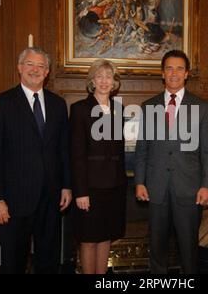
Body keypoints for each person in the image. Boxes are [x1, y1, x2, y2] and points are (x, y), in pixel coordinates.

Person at [0, 47, 72, 274]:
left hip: (51, 199)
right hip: (13, 201)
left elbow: (63, 149)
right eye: (30, 64)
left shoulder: (58, 104)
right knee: (13, 263)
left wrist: (66, 185)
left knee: (48, 261)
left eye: (40, 66)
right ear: (20, 68)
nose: (35, 69)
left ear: (47, 72)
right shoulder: (1, 103)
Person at [135, 50, 208, 274]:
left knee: (188, 248)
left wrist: (207, 186)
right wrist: (140, 182)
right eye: (169, 68)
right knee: (157, 246)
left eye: (179, 68)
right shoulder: (148, 107)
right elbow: (142, 148)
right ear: (162, 73)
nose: (174, 73)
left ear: (187, 73)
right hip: (156, 188)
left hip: (189, 189)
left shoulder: (202, 108)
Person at [69, 59, 127, 274]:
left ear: (114, 82)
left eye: (108, 77)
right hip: (90, 189)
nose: (104, 81)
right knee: (88, 240)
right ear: (92, 80)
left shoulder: (119, 110)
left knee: (106, 239)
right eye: (100, 76)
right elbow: (76, 153)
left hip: (115, 188)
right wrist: (80, 192)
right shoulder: (80, 109)